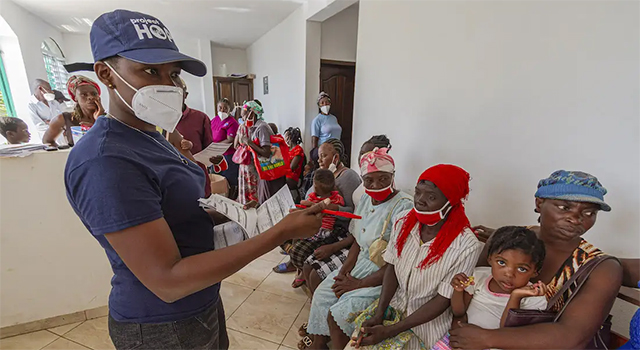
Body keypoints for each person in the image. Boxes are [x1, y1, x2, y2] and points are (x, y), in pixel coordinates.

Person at [65, 10, 324, 350]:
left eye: (172, 73)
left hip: (200, 299)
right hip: (161, 322)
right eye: (149, 71)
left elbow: (176, 214)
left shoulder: (149, 136)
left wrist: (244, 215)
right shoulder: (107, 161)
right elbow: (167, 280)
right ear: (106, 74)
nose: (168, 85)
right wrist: (279, 233)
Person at [449, 170, 623, 350]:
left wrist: (485, 338)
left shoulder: (601, 268)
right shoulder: (507, 240)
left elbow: (571, 337)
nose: (575, 218)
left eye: (588, 213)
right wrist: (460, 327)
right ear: (539, 203)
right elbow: (472, 295)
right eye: (565, 207)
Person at [348, 164, 481, 350]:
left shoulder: (466, 245)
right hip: (394, 309)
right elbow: (392, 268)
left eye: (431, 197)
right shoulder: (403, 221)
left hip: (427, 326)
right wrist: (380, 313)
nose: (419, 201)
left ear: (450, 201)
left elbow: (443, 299)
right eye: (418, 192)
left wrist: (392, 330)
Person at [302, 148, 413, 350]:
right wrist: (344, 271)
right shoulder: (364, 200)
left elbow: (396, 264)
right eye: (369, 180)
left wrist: (357, 284)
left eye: (383, 179)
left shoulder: (403, 207)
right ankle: (318, 344)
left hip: (384, 275)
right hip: (360, 263)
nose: (376, 185)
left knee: (338, 314)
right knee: (323, 293)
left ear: (393, 176)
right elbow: (356, 239)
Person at [430, 226, 548, 350]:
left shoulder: (533, 297)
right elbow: (459, 312)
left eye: (521, 269)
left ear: (535, 272)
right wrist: (458, 290)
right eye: (502, 263)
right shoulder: (479, 276)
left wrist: (516, 296)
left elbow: (508, 332)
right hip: (463, 340)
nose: (509, 274)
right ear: (490, 259)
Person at [273, 138, 361, 274]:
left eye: (323, 156)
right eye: (318, 157)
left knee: (297, 242)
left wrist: (333, 208)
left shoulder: (348, 177)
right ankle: (295, 260)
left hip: (331, 227)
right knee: (282, 229)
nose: (319, 161)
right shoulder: (322, 173)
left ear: (336, 157)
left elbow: (353, 212)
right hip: (313, 217)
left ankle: (296, 262)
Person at [289, 169, 345, 288]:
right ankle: (300, 271)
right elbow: (304, 204)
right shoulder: (318, 197)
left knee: (301, 249)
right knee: (294, 238)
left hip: (324, 232)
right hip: (312, 227)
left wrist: (312, 205)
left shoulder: (334, 199)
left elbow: (305, 203)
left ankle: (302, 272)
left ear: (314, 186)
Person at [237, 100, 286, 204]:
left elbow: (266, 152)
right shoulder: (254, 127)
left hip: (270, 169)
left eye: (244, 116)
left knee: (267, 200)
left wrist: (249, 142)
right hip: (265, 168)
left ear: (252, 113)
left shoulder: (262, 127)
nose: (243, 120)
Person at [43, 75, 104, 147]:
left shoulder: (109, 118)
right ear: (75, 98)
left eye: (94, 94)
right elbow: (47, 141)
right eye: (84, 94)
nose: (90, 97)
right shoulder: (65, 119)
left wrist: (101, 120)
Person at [210, 98, 240, 197]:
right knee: (217, 178)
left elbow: (230, 140)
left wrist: (216, 146)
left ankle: (231, 198)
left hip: (228, 156)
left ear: (229, 109)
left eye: (225, 108)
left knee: (229, 180)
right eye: (220, 108)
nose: (222, 110)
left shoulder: (232, 122)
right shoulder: (214, 120)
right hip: (215, 154)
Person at [353, 135, 392, 208]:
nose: (363, 158)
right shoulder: (364, 179)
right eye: (361, 153)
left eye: (368, 155)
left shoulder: (384, 187)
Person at [176, 79, 213, 154]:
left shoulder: (201, 118)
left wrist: (192, 146)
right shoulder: (157, 120)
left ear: (185, 95)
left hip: (195, 164)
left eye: (178, 92)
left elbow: (209, 149)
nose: (175, 96)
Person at [311, 92, 341, 161]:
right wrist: (314, 156)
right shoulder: (317, 120)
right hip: (325, 152)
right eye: (322, 103)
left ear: (330, 104)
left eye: (327, 102)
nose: (325, 104)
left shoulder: (334, 118)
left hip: (337, 150)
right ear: (319, 105)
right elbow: (314, 140)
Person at [284, 127, 305, 202]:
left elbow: (291, 168)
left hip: (292, 177)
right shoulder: (286, 149)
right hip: (285, 174)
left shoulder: (298, 150)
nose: (285, 139)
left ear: (289, 137)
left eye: (286, 136)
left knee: (277, 180)